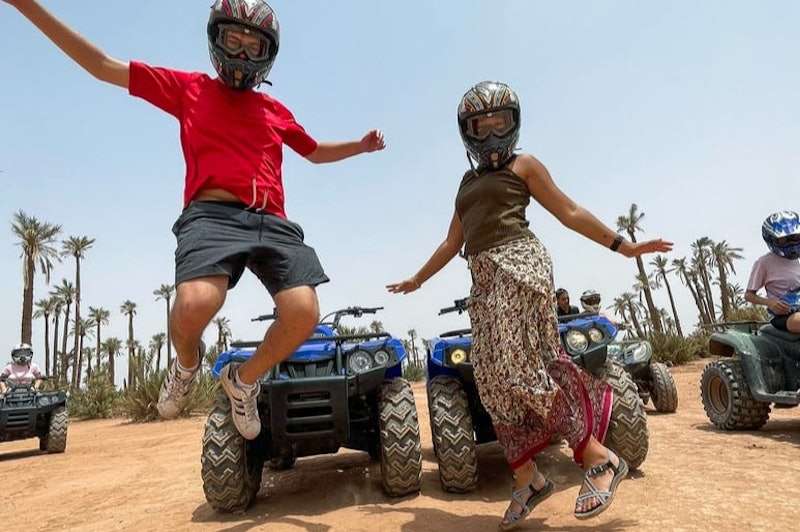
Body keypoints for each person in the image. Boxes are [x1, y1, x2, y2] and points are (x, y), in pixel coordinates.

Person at [4, 0, 386, 439]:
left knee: (304, 311)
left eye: (253, 46)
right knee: (194, 305)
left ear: (268, 54)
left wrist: (358, 147)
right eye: (233, 40)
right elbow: (102, 66)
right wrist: (27, 6)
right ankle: (186, 364)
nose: (241, 53)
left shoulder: (275, 111)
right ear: (215, 39)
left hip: (271, 220)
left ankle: (243, 380)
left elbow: (313, 151)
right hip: (212, 216)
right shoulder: (189, 89)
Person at [387, 80, 672, 527]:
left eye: (498, 122)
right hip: (484, 281)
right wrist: (417, 279)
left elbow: (569, 212)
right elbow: (451, 242)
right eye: (479, 126)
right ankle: (527, 479)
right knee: (491, 379)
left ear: (513, 124)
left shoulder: (525, 165)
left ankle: (598, 457)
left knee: (522, 367)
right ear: (466, 132)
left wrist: (625, 247)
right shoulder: (466, 182)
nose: (489, 133)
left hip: (520, 265)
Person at [745, 211, 800, 333]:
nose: (791, 243)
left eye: (795, 237)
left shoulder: (797, 260)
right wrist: (770, 303)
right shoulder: (764, 262)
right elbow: (748, 295)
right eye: (783, 240)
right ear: (771, 239)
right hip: (783, 317)